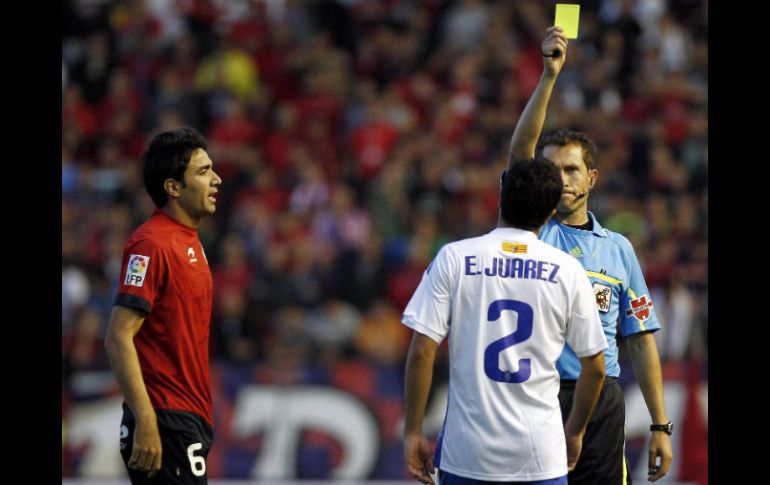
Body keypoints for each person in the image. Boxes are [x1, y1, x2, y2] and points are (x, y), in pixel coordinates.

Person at [507, 26, 674, 484]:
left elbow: (640, 340)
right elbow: (519, 156)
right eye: (552, 169)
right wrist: (548, 76)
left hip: (602, 402)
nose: (561, 178)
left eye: (571, 168)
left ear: (592, 178)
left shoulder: (619, 250)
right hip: (537, 396)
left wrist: (661, 425)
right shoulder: (533, 233)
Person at [402, 158, 608, 485]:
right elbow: (596, 367)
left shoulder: (455, 257)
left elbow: (423, 351)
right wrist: (575, 432)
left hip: (467, 454)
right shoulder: (568, 271)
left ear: (500, 198)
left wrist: (413, 430)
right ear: (551, 212)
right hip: (540, 454)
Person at [105, 127, 222, 484]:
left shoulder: (191, 243)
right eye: (203, 172)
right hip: (165, 417)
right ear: (173, 187)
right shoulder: (151, 244)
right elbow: (118, 336)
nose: (216, 179)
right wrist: (146, 420)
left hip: (187, 415)